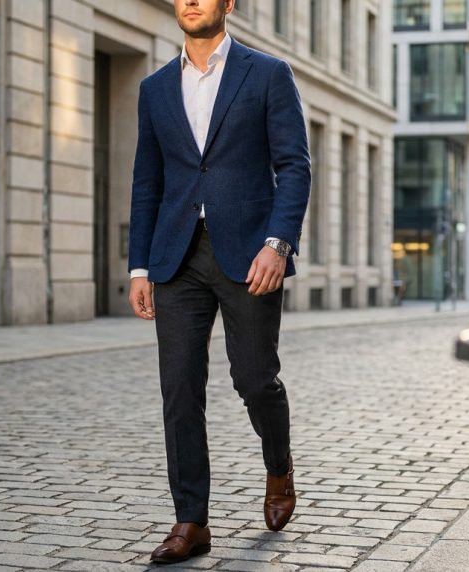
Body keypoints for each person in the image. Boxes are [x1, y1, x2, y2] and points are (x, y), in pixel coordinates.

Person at [126, 0, 310, 564]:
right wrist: (139, 266)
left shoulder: (268, 73)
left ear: (229, 3)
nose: (190, 0)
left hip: (250, 254)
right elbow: (146, 182)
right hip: (175, 257)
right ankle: (191, 521)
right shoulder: (155, 88)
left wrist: (277, 244)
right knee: (179, 389)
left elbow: (295, 166)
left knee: (255, 379)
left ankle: (278, 468)